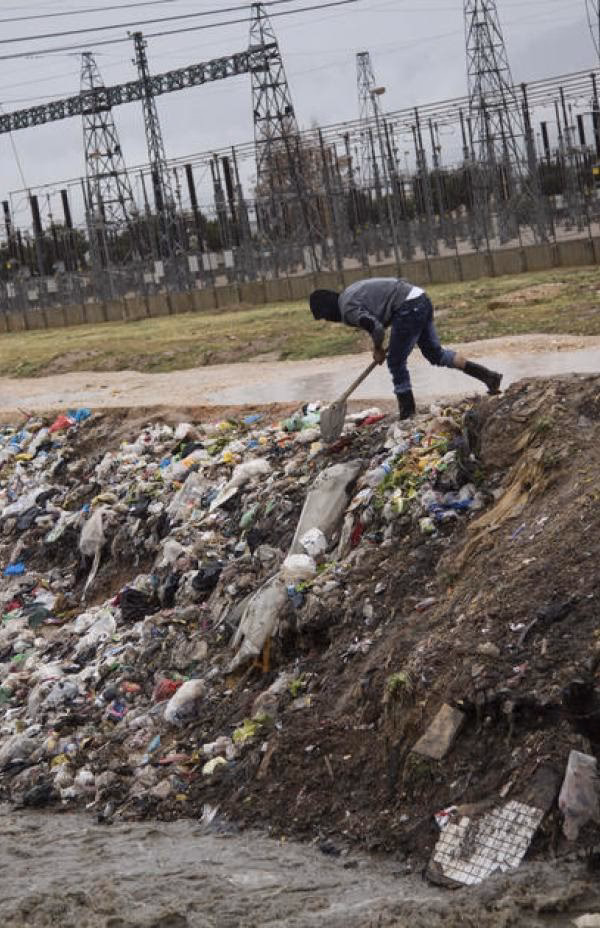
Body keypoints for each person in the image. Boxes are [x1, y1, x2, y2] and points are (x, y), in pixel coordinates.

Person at [309, 277, 502, 419]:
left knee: (395, 362)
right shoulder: (349, 294)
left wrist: (377, 348)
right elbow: (379, 317)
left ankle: (408, 411)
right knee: (435, 354)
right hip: (420, 298)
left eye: (325, 317)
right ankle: (489, 377)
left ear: (328, 309)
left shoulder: (347, 308)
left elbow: (375, 327)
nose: (329, 320)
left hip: (408, 306)